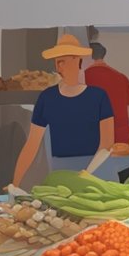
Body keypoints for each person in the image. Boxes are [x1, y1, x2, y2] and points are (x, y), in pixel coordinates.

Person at [11, 35, 114, 189]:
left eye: (62, 62)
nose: (58, 68)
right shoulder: (47, 98)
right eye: (56, 63)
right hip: (61, 176)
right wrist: (16, 183)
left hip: (97, 174)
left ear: (76, 59)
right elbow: (31, 145)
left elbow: (107, 143)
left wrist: (87, 174)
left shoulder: (98, 96)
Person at [84, 42, 129, 146]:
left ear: (87, 56)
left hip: (91, 138)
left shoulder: (82, 79)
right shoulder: (122, 78)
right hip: (118, 139)